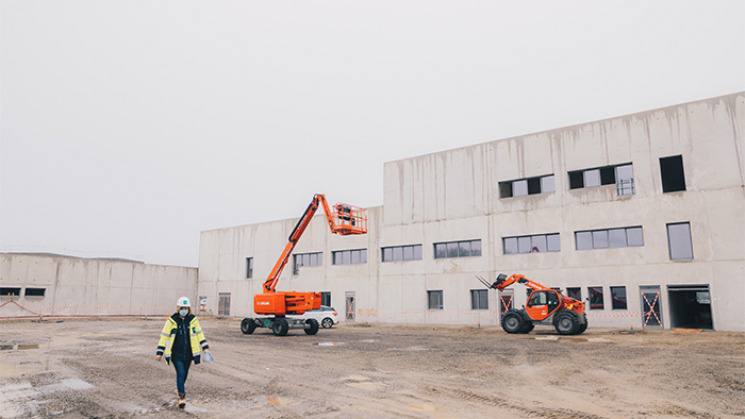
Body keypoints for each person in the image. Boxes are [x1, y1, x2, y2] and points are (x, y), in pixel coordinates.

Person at [156, 296, 210, 408]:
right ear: (178, 308)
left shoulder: (193, 320)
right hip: (176, 354)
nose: (184, 310)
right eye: (182, 308)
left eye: (186, 308)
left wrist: (204, 346)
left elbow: (199, 333)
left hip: (189, 354)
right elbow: (164, 336)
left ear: (188, 308)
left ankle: (179, 389)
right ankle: (182, 397)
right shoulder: (172, 321)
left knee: (184, 374)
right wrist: (160, 352)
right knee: (180, 372)